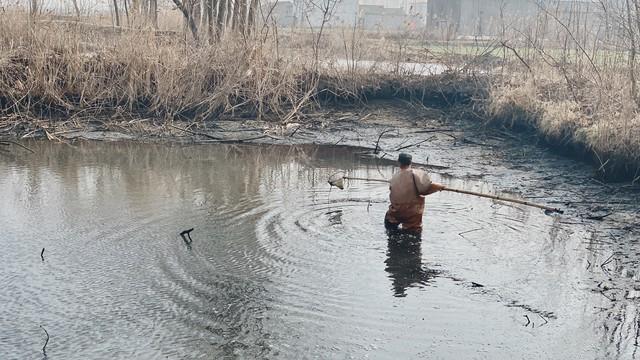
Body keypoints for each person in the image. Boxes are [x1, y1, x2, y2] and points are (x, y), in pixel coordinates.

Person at [384, 153, 445, 234]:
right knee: (414, 233)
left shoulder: (394, 177)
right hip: (412, 213)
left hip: (395, 212)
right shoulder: (416, 174)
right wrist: (439, 187)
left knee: (390, 226)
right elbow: (425, 189)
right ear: (410, 162)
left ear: (399, 162)